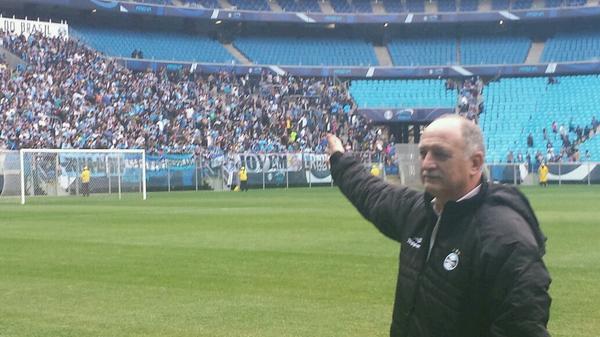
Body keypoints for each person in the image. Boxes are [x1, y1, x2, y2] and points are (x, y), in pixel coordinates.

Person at [326, 115, 551, 337]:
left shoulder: (505, 238)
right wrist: (339, 159)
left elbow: (523, 327)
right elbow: (373, 194)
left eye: (440, 154)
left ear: (475, 163)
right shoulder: (421, 211)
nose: (427, 163)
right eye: (423, 153)